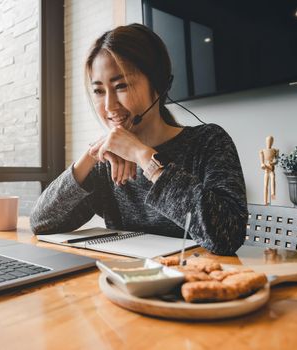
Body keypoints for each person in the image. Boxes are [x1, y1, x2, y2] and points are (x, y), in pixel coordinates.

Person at [30, 23, 247, 255]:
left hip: (197, 281)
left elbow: (227, 236)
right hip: (124, 283)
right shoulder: (106, 162)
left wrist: (144, 157)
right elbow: (42, 223)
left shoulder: (209, 142)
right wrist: (92, 154)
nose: (109, 106)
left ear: (160, 85)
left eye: (121, 85)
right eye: (99, 91)